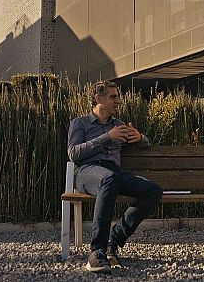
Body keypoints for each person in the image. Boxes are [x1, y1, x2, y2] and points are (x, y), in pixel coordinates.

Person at [67, 80, 162, 273]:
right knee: (109, 178)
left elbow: (145, 143)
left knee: (152, 190)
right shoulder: (80, 123)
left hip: (114, 174)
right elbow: (74, 153)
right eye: (113, 97)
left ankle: (114, 242)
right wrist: (107, 137)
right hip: (88, 172)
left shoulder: (119, 124)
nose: (118, 101)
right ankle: (97, 252)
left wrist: (140, 138)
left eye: (117, 96)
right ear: (98, 98)